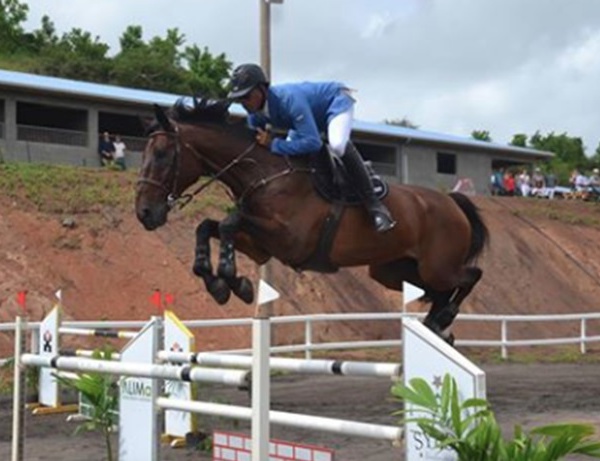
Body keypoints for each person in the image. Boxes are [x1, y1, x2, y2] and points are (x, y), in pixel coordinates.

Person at [227, 63, 396, 233]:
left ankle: (375, 206)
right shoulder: (255, 114)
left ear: (262, 89)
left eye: (246, 96)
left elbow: (313, 142)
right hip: (307, 120)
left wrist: (273, 144)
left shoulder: (288, 100)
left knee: (337, 144)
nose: (243, 103)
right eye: (239, 99)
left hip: (334, 102)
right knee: (290, 157)